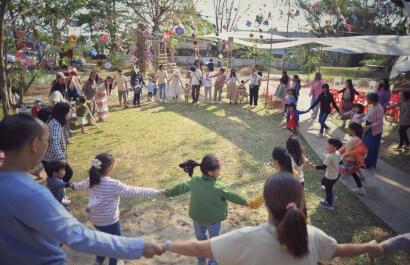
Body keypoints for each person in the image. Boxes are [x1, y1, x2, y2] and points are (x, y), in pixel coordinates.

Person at [0, 114, 164, 264]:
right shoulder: (33, 195)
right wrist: (137, 246)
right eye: (47, 140)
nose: (48, 146)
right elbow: (78, 236)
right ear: (35, 144)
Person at [162, 172, 380, 265]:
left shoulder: (247, 238)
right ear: (299, 202)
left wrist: (164, 245)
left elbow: (200, 248)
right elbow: (339, 250)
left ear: (266, 203)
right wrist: (368, 246)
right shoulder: (313, 235)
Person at [71, 152, 162, 265]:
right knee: (116, 245)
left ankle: (99, 260)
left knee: (101, 240)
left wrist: (72, 185)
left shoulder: (90, 179)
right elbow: (134, 191)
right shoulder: (113, 184)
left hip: (95, 220)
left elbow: (78, 186)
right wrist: (155, 192)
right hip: (110, 221)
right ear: (110, 167)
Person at [164, 154, 248, 265]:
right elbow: (233, 196)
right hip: (213, 221)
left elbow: (180, 188)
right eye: (218, 170)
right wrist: (246, 202)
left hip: (197, 219)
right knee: (214, 242)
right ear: (211, 172)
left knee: (201, 239)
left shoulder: (194, 181)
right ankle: (212, 261)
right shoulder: (219, 186)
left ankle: (201, 259)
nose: (219, 171)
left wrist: (167, 192)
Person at [308, 138, 343, 210]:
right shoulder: (338, 153)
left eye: (329, 145)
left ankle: (329, 204)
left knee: (328, 190)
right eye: (328, 144)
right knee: (323, 182)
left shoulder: (330, 156)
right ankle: (331, 195)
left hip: (330, 176)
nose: (327, 146)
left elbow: (323, 167)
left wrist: (313, 167)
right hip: (336, 175)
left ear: (334, 147)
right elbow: (341, 162)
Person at [43, 102, 73, 183]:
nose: (70, 114)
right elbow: (55, 142)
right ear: (62, 113)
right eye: (68, 112)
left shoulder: (54, 121)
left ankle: (59, 192)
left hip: (51, 158)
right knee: (67, 173)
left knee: (58, 178)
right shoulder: (56, 125)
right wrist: (61, 158)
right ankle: (58, 192)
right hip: (52, 159)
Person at [339, 123, 368, 195]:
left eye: (348, 129)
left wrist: (347, 154)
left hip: (349, 160)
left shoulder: (356, 139)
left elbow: (360, 148)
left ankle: (329, 183)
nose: (347, 130)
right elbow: (346, 147)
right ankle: (360, 187)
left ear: (353, 131)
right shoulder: (354, 138)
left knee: (340, 170)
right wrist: (340, 152)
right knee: (353, 173)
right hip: (349, 159)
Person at [363, 93, 384, 168]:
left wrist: (370, 126)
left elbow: (379, 122)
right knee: (366, 145)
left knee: (371, 147)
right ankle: (367, 161)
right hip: (369, 127)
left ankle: (368, 164)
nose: (366, 100)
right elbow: (368, 115)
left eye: (368, 99)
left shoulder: (379, 108)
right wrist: (363, 116)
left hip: (374, 130)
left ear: (373, 100)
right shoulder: (372, 106)